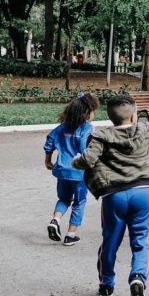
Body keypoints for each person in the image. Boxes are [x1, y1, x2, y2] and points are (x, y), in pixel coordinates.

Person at [72, 95, 149, 296]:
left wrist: (74, 161)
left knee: (110, 241)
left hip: (114, 196)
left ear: (110, 116)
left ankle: (106, 285)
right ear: (134, 115)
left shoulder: (101, 135)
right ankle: (137, 278)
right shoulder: (144, 129)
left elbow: (87, 160)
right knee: (140, 241)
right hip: (141, 194)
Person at [43, 93, 100, 246]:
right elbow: (83, 148)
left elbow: (50, 140)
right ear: (87, 113)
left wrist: (47, 160)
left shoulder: (62, 127)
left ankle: (55, 220)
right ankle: (70, 235)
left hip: (62, 171)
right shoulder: (87, 128)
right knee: (79, 202)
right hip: (79, 173)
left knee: (63, 199)